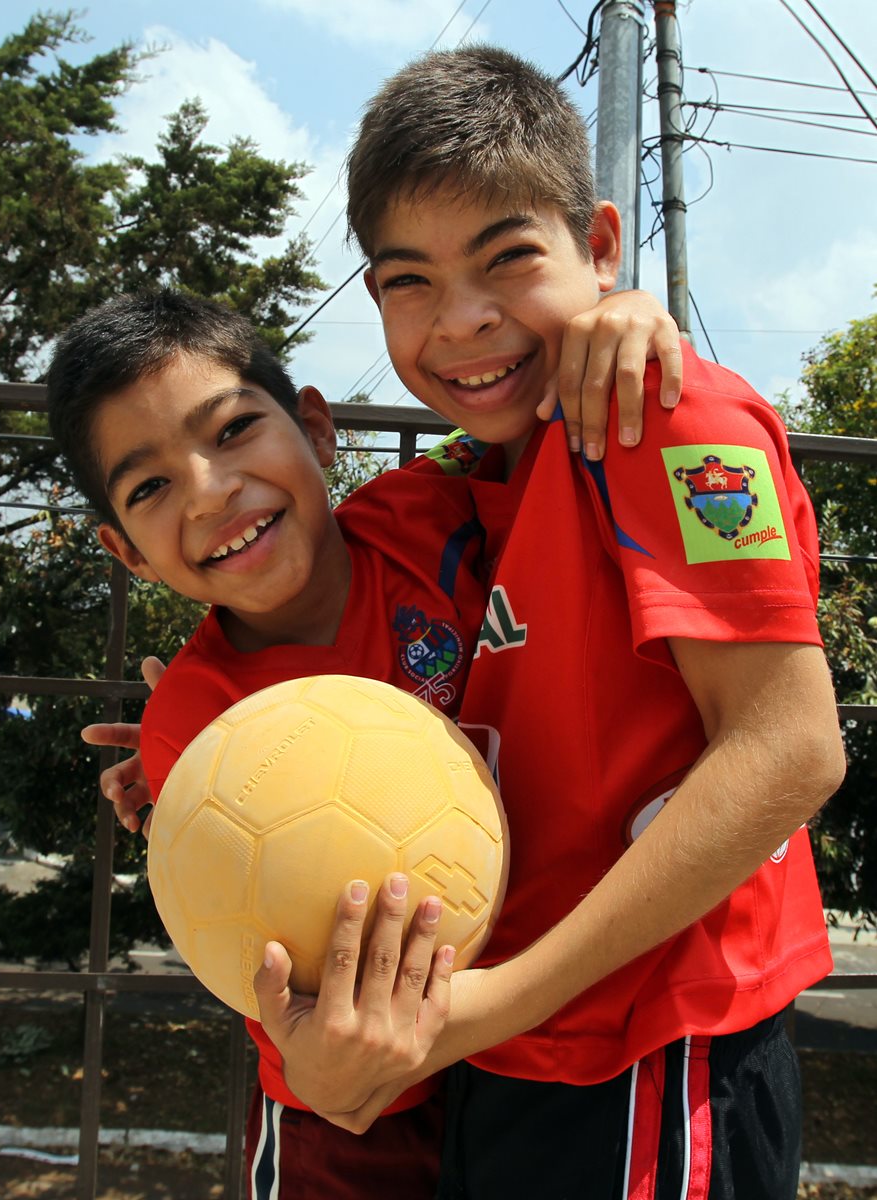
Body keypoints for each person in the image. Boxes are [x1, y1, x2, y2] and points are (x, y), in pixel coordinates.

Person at [250, 45, 846, 1200]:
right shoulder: (489, 470)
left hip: (643, 1055)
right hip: (514, 1046)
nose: (462, 321)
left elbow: (789, 746)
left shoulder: (661, 413)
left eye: (507, 257)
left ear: (600, 244)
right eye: (409, 281)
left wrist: (487, 1006)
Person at [47, 286, 681, 1200]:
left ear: (315, 429)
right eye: (150, 487)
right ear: (127, 553)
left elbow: (534, 417)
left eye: (233, 430)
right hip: (357, 1118)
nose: (211, 492)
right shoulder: (196, 724)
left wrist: (620, 319)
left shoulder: (425, 511)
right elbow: (276, 988)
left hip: (537, 1055)